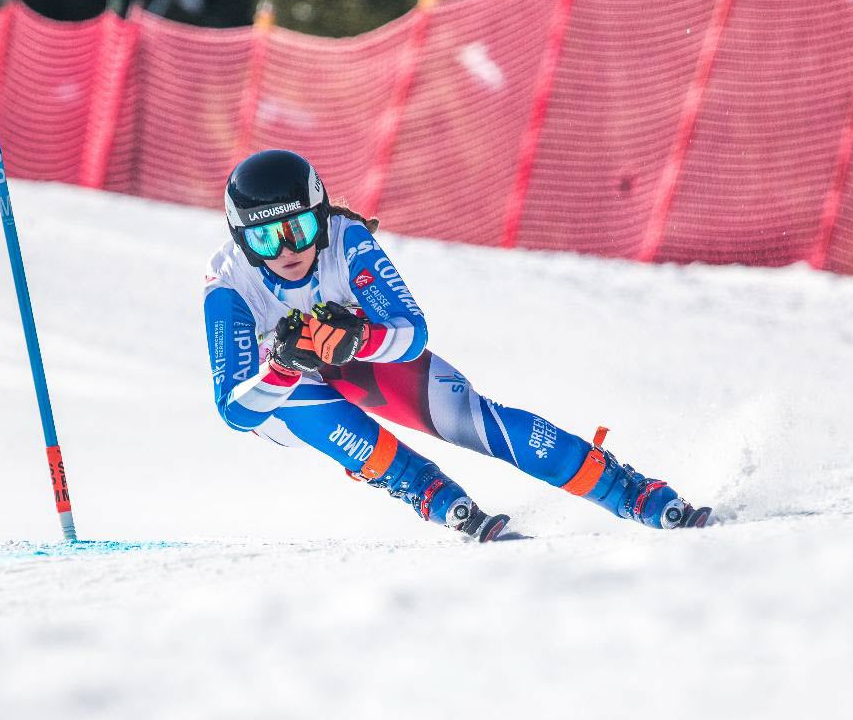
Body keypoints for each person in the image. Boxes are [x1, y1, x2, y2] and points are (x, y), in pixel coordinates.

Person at [202, 149, 711, 542]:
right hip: (280, 396)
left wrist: (358, 338)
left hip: (362, 359)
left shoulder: (345, 239)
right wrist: (285, 368)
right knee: (300, 400)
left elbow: (411, 335)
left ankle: (628, 490)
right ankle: (425, 489)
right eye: (267, 240)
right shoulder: (229, 285)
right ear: (243, 241)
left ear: (321, 214)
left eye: (299, 228)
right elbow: (235, 412)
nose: (288, 249)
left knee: (472, 418)